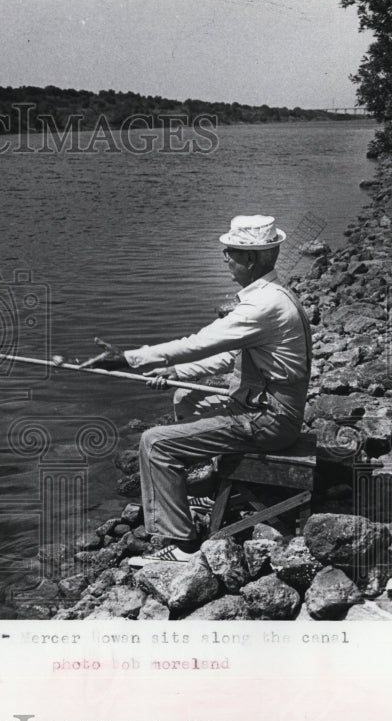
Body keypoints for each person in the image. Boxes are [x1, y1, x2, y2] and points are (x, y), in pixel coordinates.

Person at [94, 215, 312, 565]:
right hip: (269, 409)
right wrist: (174, 371)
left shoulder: (263, 306)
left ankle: (181, 545)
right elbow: (229, 355)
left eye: (230, 251)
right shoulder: (275, 294)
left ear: (251, 259)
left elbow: (200, 343)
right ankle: (209, 486)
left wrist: (127, 358)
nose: (224, 256)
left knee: (154, 443)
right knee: (187, 396)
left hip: (267, 421)